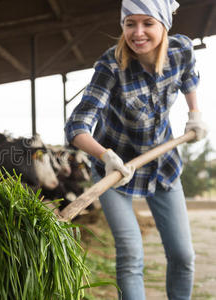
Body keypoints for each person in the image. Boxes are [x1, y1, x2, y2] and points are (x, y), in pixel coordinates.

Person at [64, 0, 207, 299]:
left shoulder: (180, 50)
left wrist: (194, 113)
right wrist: (105, 156)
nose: (137, 32)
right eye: (130, 24)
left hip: (163, 164)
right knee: (131, 255)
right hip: (116, 172)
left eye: (147, 23)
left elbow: (189, 77)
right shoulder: (111, 66)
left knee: (183, 256)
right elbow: (76, 126)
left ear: (164, 25)